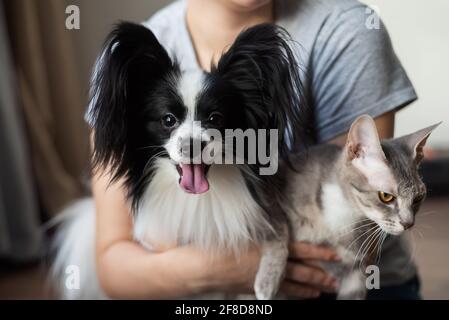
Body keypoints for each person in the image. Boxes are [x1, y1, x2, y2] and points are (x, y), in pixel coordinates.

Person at [87, 0, 420, 299]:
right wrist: (218, 269)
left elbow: (342, 241)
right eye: (170, 120)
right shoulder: (138, 52)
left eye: (215, 118)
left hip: (351, 284)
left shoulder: (345, 31)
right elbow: (115, 267)